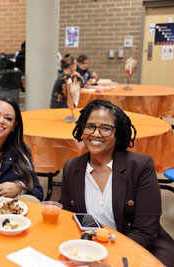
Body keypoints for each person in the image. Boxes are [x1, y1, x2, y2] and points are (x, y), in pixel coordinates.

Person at [59, 99, 174, 266]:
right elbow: (69, 219)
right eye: (90, 126)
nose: (96, 134)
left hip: (139, 249)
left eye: (106, 128)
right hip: (90, 250)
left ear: (118, 134)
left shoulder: (140, 166)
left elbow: (145, 231)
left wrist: (109, 258)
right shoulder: (72, 167)